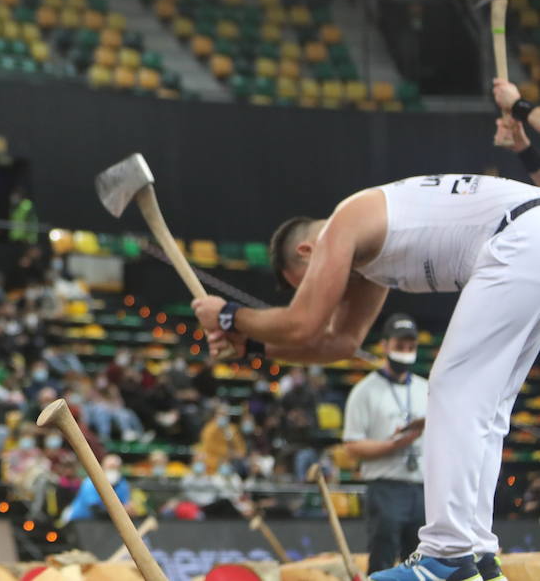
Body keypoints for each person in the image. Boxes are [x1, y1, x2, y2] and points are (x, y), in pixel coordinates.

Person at [194, 171, 540, 581]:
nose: (327, 291)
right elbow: (338, 343)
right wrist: (251, 346)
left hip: (520, 237)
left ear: (309, 251)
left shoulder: (345, 222)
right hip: (525, 241)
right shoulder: (372, 255)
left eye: (309, 282)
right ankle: (478, 554)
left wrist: (229, 315)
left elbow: (303, 323)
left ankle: (447, 557)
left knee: (453, 388)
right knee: (487, 407)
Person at [343, 313, 428, 573]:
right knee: (382, 559)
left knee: (422, 563)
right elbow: (352, 446)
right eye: (400, 346)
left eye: (410, 347)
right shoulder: (365, 391)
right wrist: (394, 445)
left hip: (423, 488)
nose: (405, 352)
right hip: (386, 488)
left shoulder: (426, 388)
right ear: (385, 346)